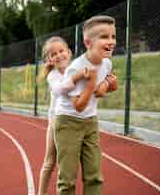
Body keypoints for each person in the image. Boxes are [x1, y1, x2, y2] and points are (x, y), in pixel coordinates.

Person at [54, 15, 118, 195]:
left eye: (113, 36)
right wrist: (91, 85)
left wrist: (107, 85)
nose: (111, 41)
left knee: (94, 175)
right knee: (67, 179)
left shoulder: (107, 62)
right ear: (88, 43)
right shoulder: (76, 68)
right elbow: (79, 106)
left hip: (90, 121)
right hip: (68, 122)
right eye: (104, 37)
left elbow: (110, 83)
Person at [37, 36, 90, 195]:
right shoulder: (53, 76)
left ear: (69, 52)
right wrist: (79, 76)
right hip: (57, 122)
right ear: (50, 60)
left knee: (71, 164)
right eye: (53, 54)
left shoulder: (76, 68)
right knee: (50, 161)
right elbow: (62, 89)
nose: (59, 55)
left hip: (76, 121)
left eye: (61, 51)